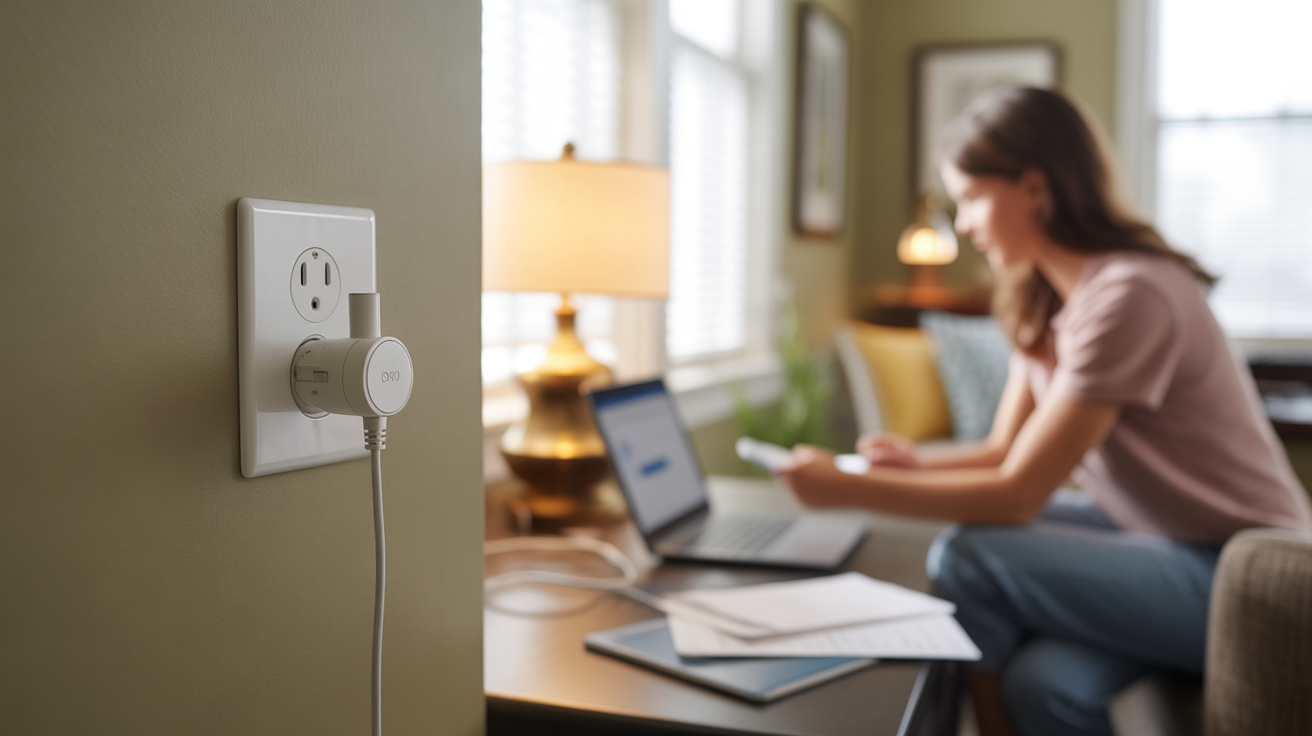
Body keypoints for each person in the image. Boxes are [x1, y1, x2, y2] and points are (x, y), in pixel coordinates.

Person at [777, 86, 1312, 736]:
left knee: (970, 555)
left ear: (1034, 187)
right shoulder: (1050, 298)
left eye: (971, 198)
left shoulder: (1131, 295)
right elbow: (1004, 451)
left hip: (1245, 574)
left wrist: (846, 490)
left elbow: (1017, 495)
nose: (963, 225)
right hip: (1155, 535)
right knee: (1045, 686)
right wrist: (912, 465)